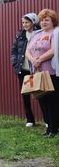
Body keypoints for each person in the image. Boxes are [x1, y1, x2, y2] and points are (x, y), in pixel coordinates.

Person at [26, 9, 59, 138]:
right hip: (37, 73)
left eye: (47, 20)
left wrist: (40, 59)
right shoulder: (37, 34)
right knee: (42, 100)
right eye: (42, 20)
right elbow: (27, 51)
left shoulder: (55, 33)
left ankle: (54, 128)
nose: (44, 22)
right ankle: (48, 126)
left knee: (52, 101)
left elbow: (53, 50)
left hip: (51, 73)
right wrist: (33, 60)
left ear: (53, 21)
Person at [11, 13, 40, 127]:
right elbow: (14, 51)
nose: (24, 25)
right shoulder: (20, 35)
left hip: (36, 70)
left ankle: (48, 120)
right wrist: (14, 63)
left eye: (27, 22)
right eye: (23, 22)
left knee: (40, 94)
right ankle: (30, 120)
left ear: (33, 22)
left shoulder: (39, 34)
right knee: (25, 95)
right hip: (22, 70)